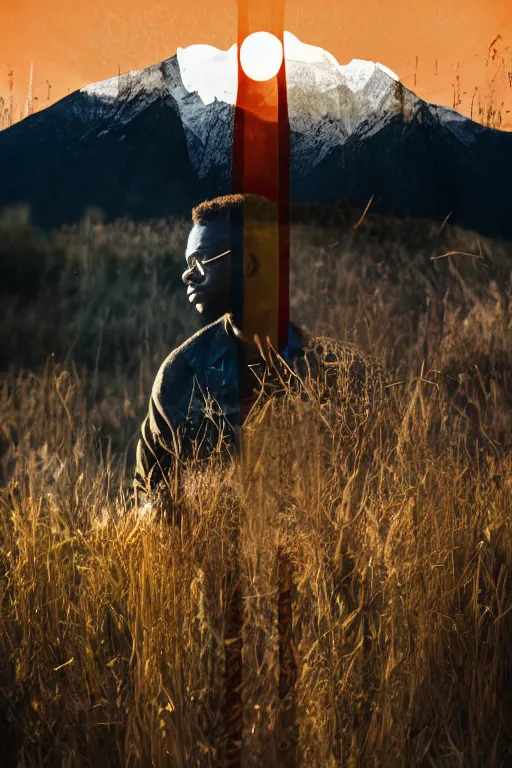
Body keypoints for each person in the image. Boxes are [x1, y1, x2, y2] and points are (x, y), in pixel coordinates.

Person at [133, 193, 383, 511]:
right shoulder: (182, 372)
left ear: (248, 264)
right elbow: (145, 492)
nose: (188, 274)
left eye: (199, 261)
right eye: (187, 264)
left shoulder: (343, 371)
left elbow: (380, 490)